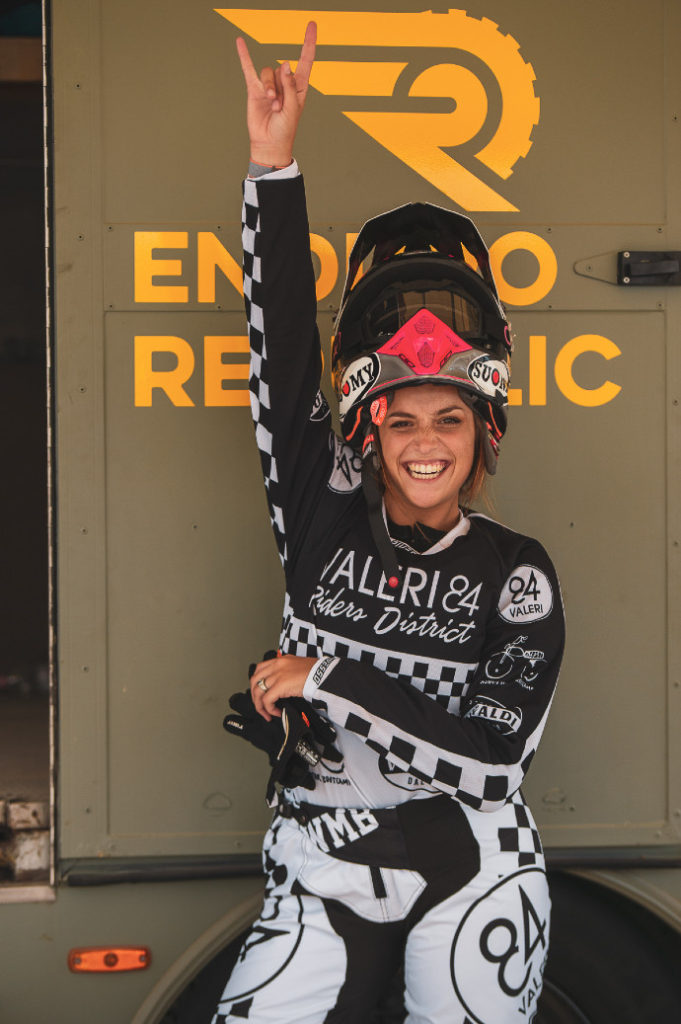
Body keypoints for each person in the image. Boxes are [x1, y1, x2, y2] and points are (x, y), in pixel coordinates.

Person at [213, 21, 565, 1024]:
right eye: (401, 420)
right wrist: (272, 166)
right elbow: (278, 351)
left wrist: (329, 679)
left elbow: (492, 760)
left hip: (471, 878)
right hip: (319, 869)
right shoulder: (322, 517)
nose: (424, 443)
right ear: (367, 429)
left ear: (483, 431)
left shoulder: (516, 575)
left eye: (448, 421)